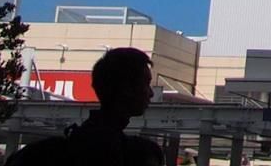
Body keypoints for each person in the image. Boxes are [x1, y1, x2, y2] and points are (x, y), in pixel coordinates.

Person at [10, 47, 161, 166]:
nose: (151, 93)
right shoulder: (138, 154)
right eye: (146, 84)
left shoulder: (43, 152)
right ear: (127, 88)